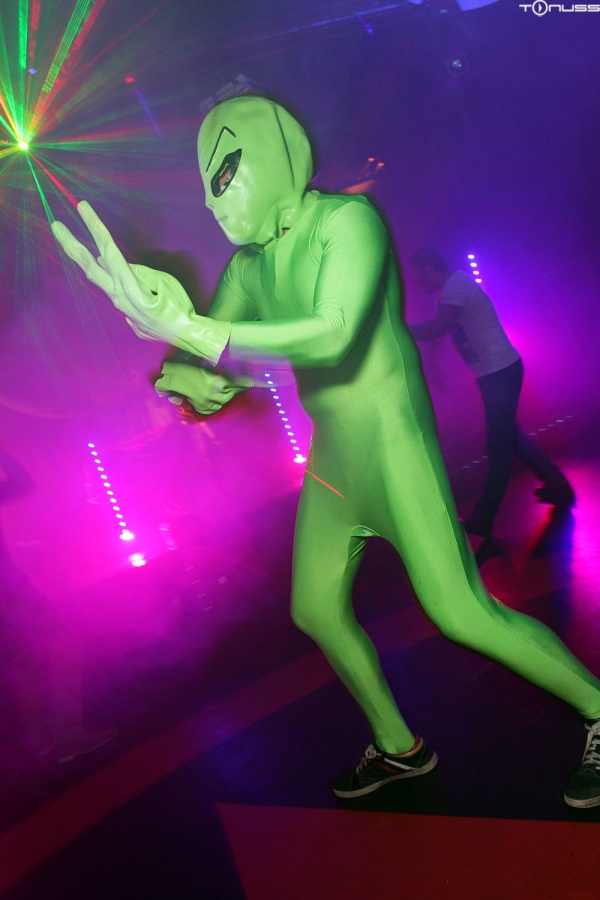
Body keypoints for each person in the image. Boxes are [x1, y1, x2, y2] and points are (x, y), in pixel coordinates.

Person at [52, 95, 600, 808]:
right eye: (206, 185)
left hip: (393, 444)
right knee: (314, 609)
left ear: (273, 154)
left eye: (225, 174)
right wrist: (177, 367)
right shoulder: (248, 268)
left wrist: (194, 332)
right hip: (336, 460)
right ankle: (399, 747)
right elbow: (221, 362)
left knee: (460, 612)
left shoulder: (349, 222)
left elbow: (333, 332)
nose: (214, 201)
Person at [409, 247, 575, 538]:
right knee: (511, 437)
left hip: (500, 372)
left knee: (498, 447)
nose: (417, 282)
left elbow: (437, 328)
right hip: (494, 374)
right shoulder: (447, 293)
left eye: (418, 275)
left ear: (429, 269)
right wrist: (433, 363)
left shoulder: (457, 285)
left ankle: (483, 518)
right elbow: (439, 332)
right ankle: (558, 485)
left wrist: (400, 329)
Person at [0, 447, 116, 763]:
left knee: (22, 664)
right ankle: (65, 737)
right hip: (9, 592)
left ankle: (40, 742)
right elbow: (23, 484)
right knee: (65, 644)